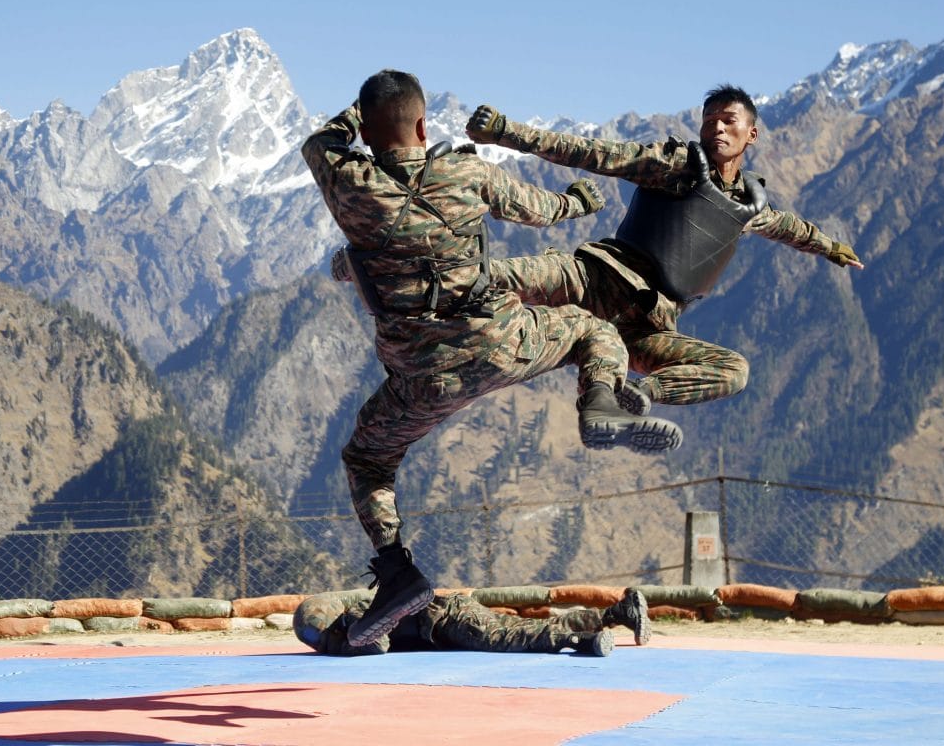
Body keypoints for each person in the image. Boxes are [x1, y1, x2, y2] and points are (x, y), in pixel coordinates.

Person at [302, 70, 683, 649]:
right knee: (590, 329)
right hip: (497, 343)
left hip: (417, 378)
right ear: (425, 125)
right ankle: (599, 400)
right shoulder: (464, 171)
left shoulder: (348, 184)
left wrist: (357, 116)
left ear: (366, 129)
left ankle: (396, 569)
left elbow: (318, 142)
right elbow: (542, 210)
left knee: (366, 461)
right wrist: (579, 200)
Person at [466, 85, 864, 413]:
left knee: (734, 370)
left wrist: (830, 247)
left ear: (751, 134)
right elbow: (593, 153)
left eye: (729, 121)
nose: (717, 129)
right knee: (486, 276)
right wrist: (506, 132)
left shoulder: (748, 207)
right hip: (593, 280)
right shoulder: (672, 166)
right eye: (710, 121)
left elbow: (788, 227)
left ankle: (637, 396)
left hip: (645, 327)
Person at [294, 588, 652, 658]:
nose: (317, 642)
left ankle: (582, 642)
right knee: (515, 630)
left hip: (447, 619)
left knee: (506, 638)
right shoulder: (363, 603)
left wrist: (338, 647)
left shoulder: (358, 615)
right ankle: (619, 613)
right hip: (449, 615)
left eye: (316, 635)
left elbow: (377, 643)